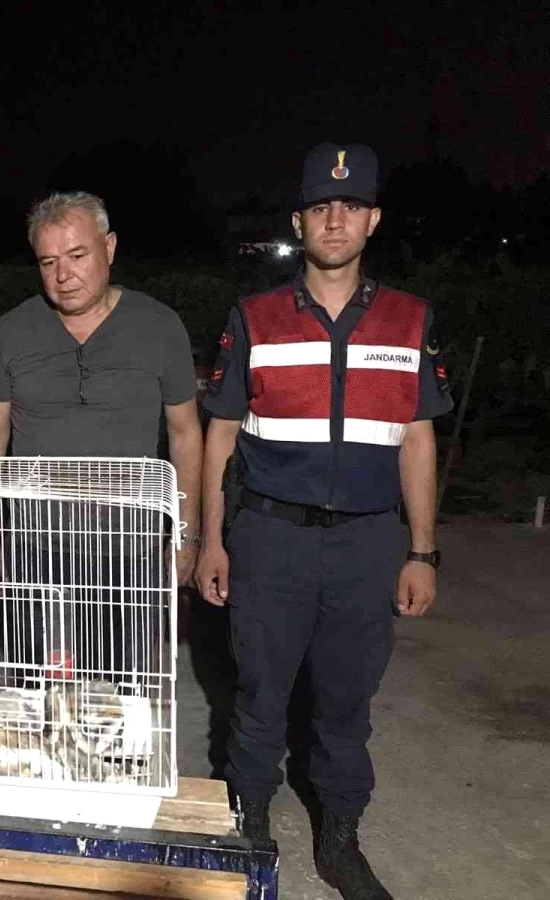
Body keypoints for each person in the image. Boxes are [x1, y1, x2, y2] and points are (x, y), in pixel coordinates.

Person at [195, 143, 453, 900]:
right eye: (318, 206)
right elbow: (220, 431)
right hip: (269, 540)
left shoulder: (410, 319)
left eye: (349, 206)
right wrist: (212, 538)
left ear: (372, 219)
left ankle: (340, 841)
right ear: (299, 220)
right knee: (257, 699)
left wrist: (423, 552)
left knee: (346, 703)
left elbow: (417, 436)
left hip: (369, 543)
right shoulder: (255, 317)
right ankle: (249, 833)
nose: (333, 219)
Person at [0, 191, 204, 675]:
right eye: (48, 261)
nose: (63, 275)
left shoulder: (159, 326)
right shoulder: (14, 331)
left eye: (77, 256)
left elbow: (184, 433)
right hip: (37, 552)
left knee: (126, 700)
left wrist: (186, 534)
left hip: (131, 552)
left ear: (110, 248)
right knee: (46, 696)